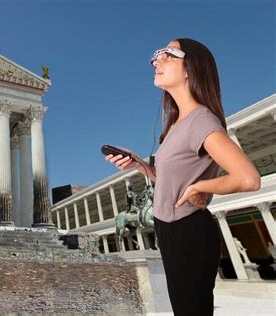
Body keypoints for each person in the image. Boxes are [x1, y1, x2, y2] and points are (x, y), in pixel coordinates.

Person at [105, 38, 260, 315]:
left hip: (188, 229)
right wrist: (139, 164)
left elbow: (248, 178)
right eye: (156, 56)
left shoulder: (201, 120)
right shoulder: (177, 124)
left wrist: (201, 186)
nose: (156, 61)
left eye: (167, 54)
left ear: (191, 68)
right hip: (170, 229)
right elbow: (168, 181)